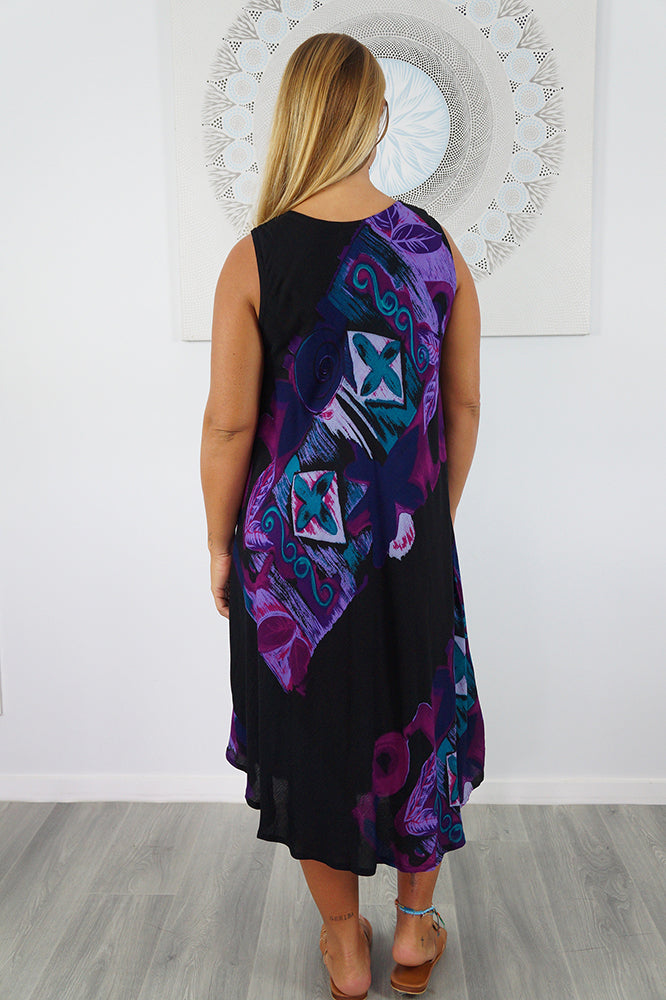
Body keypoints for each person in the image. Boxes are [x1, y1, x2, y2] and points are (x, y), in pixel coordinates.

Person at [200, 31, 486, 1000]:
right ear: (377, 118)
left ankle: (344, 943)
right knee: (418, 719)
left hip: (293, 558)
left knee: (312, 735)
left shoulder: (253, 258)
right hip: (408, 547)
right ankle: (411, 932)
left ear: (292, 118)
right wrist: (429, 520)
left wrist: (218, 542)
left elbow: (229, 424)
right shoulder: (432, 249)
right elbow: (463, 406)